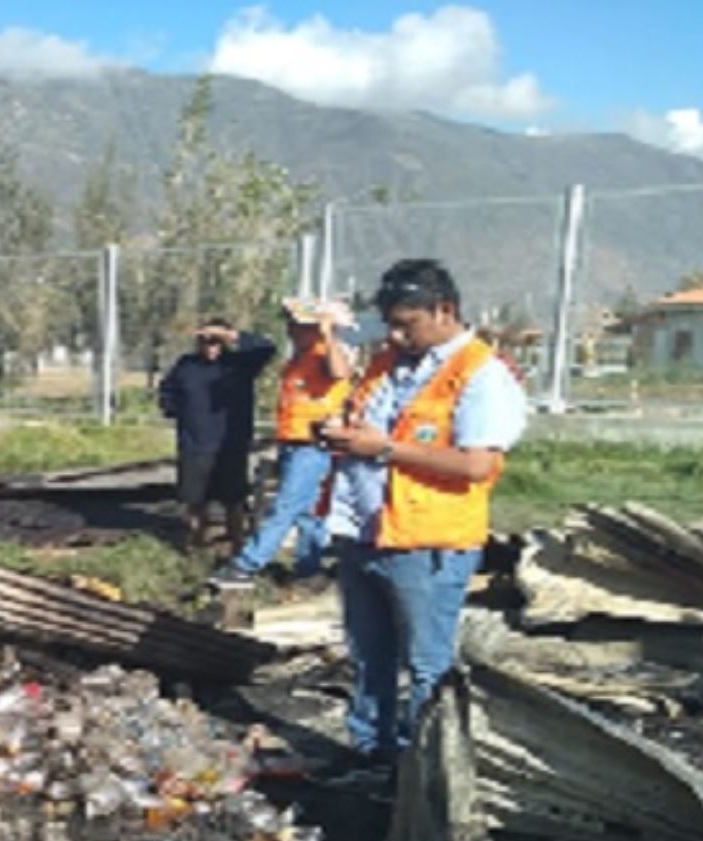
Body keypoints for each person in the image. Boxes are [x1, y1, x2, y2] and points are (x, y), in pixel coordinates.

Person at [318, 259, 527, 761]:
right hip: (364, 530)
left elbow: (477, 463)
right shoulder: (389, 362)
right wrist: (342, 433)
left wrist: (385, 449)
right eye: (390, 322)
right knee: (370, 657)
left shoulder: (481, 374)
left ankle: (425, 769)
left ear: (445, 310)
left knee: (427, 662)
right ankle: (371, 754)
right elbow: (367, 422)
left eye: (406, 323)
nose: (394, 334)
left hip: (427, 542)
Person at [213, 299, 355, 585]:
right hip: (294, 441)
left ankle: (246, 565)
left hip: (313, 445)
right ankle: (309, 568)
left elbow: (340, 373)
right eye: (290, 323)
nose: (291, 329)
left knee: (285, 506)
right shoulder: (299, 358)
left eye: (298, 325)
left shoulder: (328, 353)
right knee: (306, 512)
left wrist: (328, 334)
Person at [158, 318, 276, 549]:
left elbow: (267, 348)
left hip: (230, 445)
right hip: (195, 444)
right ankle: (195, 545)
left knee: (233, 500)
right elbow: (168, 391)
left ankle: (237, 546)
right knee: (194, 500)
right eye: (205, 341)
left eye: (216, 342)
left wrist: (231, 334)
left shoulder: (239, 365)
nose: (210, 346)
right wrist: (172, 408)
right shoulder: (187, 365)